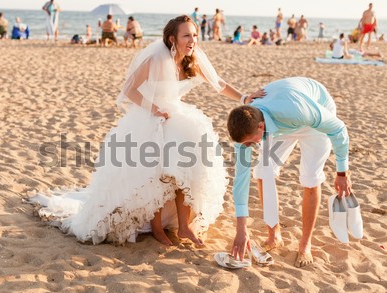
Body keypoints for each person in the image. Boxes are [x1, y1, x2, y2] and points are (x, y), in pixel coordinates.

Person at [28, 15, 264, 247]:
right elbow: (129, 90)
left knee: (189, 166)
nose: (192, 40)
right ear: (172, 39)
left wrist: (244, 97)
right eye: (186, 36)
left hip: (176, 116)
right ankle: (157, 228)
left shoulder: (194, 58)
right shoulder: (156, 58)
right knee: (157, 172)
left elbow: (218, 83)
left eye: (194, 35)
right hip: (151, 116)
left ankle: (184, 225)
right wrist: (155, 109)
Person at [227, 77, 351, 268]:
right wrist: (241, 228)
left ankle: (305, 244)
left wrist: (342, 172)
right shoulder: (246, 130)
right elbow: (241, 180)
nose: (248, 147)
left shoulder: (299, 111)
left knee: (310, 177)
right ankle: (274, 235)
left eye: (251, 142)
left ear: (260, 127)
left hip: (312, 117)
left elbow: (338, 129)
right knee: (262, 172)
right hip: (280, 123)